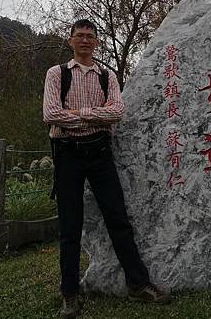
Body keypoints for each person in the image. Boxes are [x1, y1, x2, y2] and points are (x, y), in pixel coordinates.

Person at [43, 19, 170, 318]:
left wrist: (77, 114)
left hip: (100, 153)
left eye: (90, 36)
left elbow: (117, 112)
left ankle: (138, 285)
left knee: (118, 220)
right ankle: (70, 295)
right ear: (70, 40)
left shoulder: (106, 75)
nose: (85, 41)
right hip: (68, 155)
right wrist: (94, 117)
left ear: (96, 42)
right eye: (80, 36)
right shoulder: (56, 74)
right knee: (70, 227)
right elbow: (50, 114)